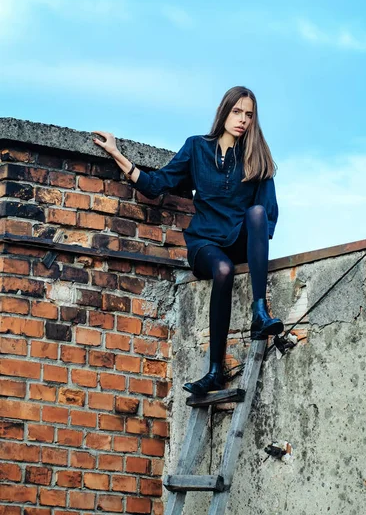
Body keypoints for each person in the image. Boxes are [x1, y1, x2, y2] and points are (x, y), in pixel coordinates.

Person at [92, 86, 283, 396]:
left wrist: (252, 238)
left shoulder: (256, 157)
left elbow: (267, 218)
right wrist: (116, 153)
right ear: (225, 112)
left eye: (249, 115)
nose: (243, 119)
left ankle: (260, 313)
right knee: (222, 271)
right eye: (237, 112)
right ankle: (214, 371)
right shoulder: (197, 148)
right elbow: (156, 185)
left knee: (259, 212)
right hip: (205, 243)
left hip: (238, 238)